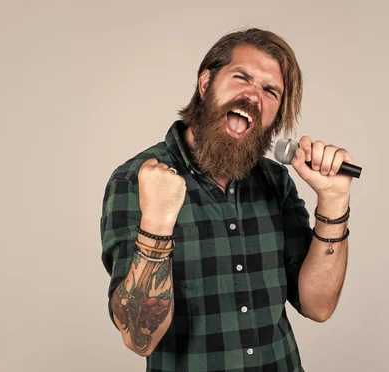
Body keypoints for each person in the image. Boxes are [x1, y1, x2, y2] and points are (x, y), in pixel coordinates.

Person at [100, 28, 355, 372]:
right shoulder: (136, 179)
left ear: (276, 114)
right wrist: (157, 225)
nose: (252, 96)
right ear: (206, 84)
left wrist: (334, 202)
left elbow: (318, 306)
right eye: (241, 78)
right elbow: (138, 337)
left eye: (270, 91)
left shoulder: (274, 180)